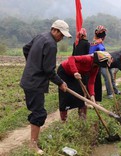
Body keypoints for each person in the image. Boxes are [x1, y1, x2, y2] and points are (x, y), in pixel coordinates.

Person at [20, 19, 71, 154]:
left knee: (37, 111)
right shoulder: (51, 44)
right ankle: (32, 145)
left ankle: (33, 141)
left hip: (29, 80)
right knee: (39, 113)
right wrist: (61, 83)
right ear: (54, 30)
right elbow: (49, 70)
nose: (61, 38)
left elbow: (26, 48)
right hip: (35, 83)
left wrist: (31, 63)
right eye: (61, 35)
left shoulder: (40, 36)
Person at [57, 51, 112, 122]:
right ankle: (63, 121)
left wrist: (92, 95)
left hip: (76, 75)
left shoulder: (96, 67)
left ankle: (83, 121)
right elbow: (71, 58)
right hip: (64, 72)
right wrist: (75, 71)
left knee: (81, 98)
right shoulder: (88, 59)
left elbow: (91, 82)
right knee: (65, 97)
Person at [70, 28, 90, 120]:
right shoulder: (86, 43)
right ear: (84, 35)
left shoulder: (75, 43)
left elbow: (73, 55)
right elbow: (88, 55)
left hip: (75, 66)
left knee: (78, 84)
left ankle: (80, 101)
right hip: (83, 65)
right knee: (84, 85)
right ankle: (84, 101)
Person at [89, 25, 107, 101]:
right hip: (95, 63)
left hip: (89, 62)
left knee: (90, 81)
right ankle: (95, 100)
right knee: (95, 82)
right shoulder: (99, 44)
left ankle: (90, 99)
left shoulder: (92, 42)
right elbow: (102, 52)